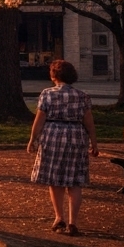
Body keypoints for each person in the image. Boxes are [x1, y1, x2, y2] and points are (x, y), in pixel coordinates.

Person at [28, 60, 97, 236]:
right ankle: (73, 222)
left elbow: (40, 119)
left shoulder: (47, 94)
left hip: (53, 134)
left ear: (54, 76)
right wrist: (94, 143)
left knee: (55, 178)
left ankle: (59, 217)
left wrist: (32, 139)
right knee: (74, 181)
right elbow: (88, 121)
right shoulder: (82, 95)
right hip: (76, 135)